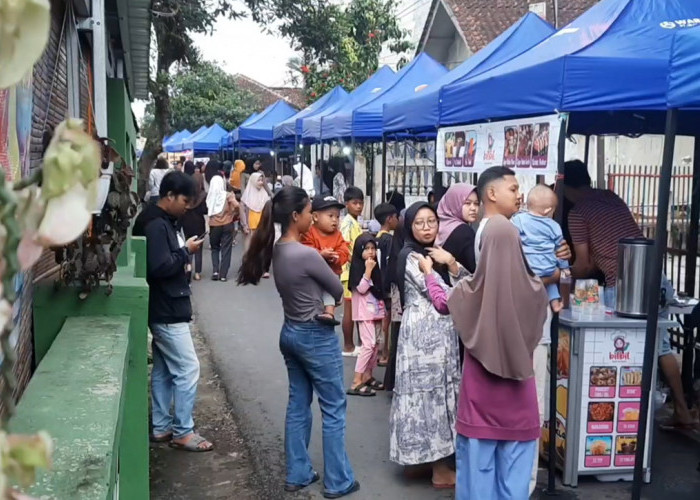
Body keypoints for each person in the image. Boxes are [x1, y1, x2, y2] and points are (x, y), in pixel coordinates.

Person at [237, 186, 359, 498]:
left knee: (298, 403)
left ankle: (298, 472)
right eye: (307, 212)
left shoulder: (277, 250)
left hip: (290, 332)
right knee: (333, 407)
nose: (310, 217)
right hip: (315, 335)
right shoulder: (306, 254)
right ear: (295, 216)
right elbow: (336, 287)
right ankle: (337, 480)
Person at [564, 159, 697, 429]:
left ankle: (628, 421)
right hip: (656, 278)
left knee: (623, 351)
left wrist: (561, 274)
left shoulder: (577, 214)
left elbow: (585, 265)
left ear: (562, 184)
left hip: (625, 285)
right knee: (661, 346)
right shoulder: (610, 197)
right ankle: (680, 410)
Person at [448, 215, 548, 500]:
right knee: (514, 487)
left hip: (479, 403)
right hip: (521, 404)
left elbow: (444, 302)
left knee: (476, 484)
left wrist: (434, 274)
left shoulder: (469, 293)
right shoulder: (536, 291)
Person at [389, 202, 466, 489]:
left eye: (431, 221)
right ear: (409, 226)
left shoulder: (433, 254)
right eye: (419, 223)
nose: (426, 227)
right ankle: (440, 469)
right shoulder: (411, 257)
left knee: (429, 394)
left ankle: (420, 462)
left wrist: (452, 263)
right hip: (426, 338)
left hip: (437, 333)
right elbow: (446, 296)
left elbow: (468, 282)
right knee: (431, 396)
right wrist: (443, 267)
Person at [140, 171, 213, 452]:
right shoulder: (156, 225)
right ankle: (183, 430)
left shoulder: (159, 221)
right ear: (169, 195)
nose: (187, 206)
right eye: (184, 200)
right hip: (167, 308)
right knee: (187, 368)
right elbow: (158, 266)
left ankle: (162, 428)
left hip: (165, 305)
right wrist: (186, 252)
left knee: (164, 370)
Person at [513, 184, 570, 313]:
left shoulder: (519, 220)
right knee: (550, 283)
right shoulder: (554, 226)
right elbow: (561, 249)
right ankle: (555, 304)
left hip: (527, 267)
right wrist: (565, 269)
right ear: (547, 210)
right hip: (548, 268)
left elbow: (511, 235)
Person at [301, 195, 350, 326]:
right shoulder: (309, 232)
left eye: (337, 217)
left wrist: (337, 257)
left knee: (330, 286)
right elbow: (305, 249)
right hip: (313, 276)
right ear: (315, 217)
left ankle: (329, 312)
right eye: (330, 216)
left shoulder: (338, 235)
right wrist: (320, 254)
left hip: (331, 273)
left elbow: (345, 250)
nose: (335, 220)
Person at [346, 234, 386, 396]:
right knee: (368, 346)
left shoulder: (375, 267)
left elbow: (379, 289)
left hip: (376, 311)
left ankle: (368, 376)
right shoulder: (358, 268)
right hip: (364, 314)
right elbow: (361, 288)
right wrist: (368, 270)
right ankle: (356, 381)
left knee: (376, 345)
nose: (370, 252)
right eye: (366, 249)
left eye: (373, 249)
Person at [340, 186, 365, 356]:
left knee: (356, 308)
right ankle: (348, 346)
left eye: (361, 203)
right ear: (347, 204)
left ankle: (357, 344)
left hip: (354, 271)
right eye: (355, 203)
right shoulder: (348, 223)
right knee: (349, 309)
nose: (358, 206)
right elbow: (347, 247)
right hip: (349, 272)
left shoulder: (354, 222)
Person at [373, 203, 399, 365]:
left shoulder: (375, 238)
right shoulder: (389, 240)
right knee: (386, 319)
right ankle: (385, 353)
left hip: (376, 283)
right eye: (396, 217)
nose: (397, 220)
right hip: (386, 284)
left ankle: (378, 352)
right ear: (389, 219)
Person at [383, 210, 405, 391]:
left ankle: (391, 380)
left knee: (396, 338)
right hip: (402, 300)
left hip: (397, 298)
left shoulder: (397, 246)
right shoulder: (404, 253)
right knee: (398, 338)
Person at [436, 183, 479, 273]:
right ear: (454, 202)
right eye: (467, 203)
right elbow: (475, 270)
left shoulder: (439, 225)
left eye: (476, 204)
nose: (473, 208)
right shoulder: (464, 232)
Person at [207, 169, 239, 282]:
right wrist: (232, 212)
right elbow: (237, 205)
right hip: (227, 224)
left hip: (214, 226)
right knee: (226, 249)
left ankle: (215, 271)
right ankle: (223, 274)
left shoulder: (210, 196)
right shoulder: (228, 195)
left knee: (215, 248)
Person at [181, 161, 207, 281]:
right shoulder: (203, 195)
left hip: (186, 222)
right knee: (198, 248)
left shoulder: (186, 195)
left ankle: (188, 267)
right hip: (199, 223)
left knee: (188, 245)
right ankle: (197, 272)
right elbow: (204, 210)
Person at [241, 172, 271, 253]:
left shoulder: (264, 194)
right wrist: (244, 224)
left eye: (262, 180)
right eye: (258, 180)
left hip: (262, 223)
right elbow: (242, 211)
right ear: (253, 181)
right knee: (251, 243)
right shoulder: (247, 195)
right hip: (251, 224)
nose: (261, 182)